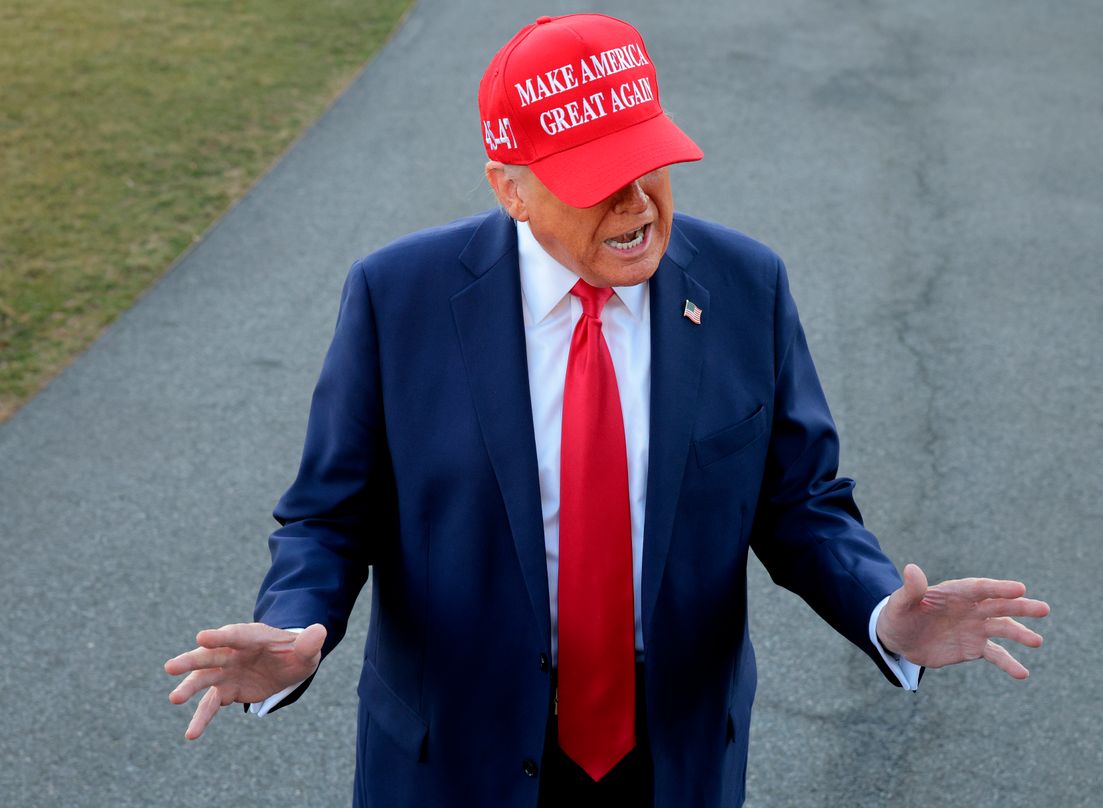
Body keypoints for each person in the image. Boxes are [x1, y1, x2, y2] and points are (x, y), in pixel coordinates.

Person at [165, 13, 1049, 807]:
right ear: (510, 189)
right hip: (453, 761)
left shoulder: (747, 286)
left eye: (646, 162)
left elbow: (799, 504)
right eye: (597, 179)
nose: (635, 203)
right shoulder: (398, 298)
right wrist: (291, 628)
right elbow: (329, 515)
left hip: (674, 760)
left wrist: (882, 613)